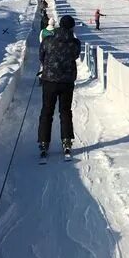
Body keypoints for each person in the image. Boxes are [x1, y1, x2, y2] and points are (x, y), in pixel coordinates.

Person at [37, 15, 81, 159]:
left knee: (47, 111)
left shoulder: (48, 40)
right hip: (67, 81)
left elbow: (41, 56)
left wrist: (48, 64)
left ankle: (44, 142)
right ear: (72, 27)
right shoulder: (75, 43)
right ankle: (67, 140)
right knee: (65, 111)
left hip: (49, 80)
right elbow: (75, 56)